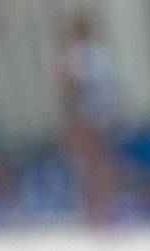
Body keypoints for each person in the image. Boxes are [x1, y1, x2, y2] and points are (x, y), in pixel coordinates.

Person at [56, 14, 121, 224]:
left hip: (85, 115)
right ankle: (107, 208)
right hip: (103, 114)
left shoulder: (76, 56)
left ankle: (94, 212)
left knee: (87, 165)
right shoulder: (102, 55)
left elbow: (70, 86)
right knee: (102, 162)